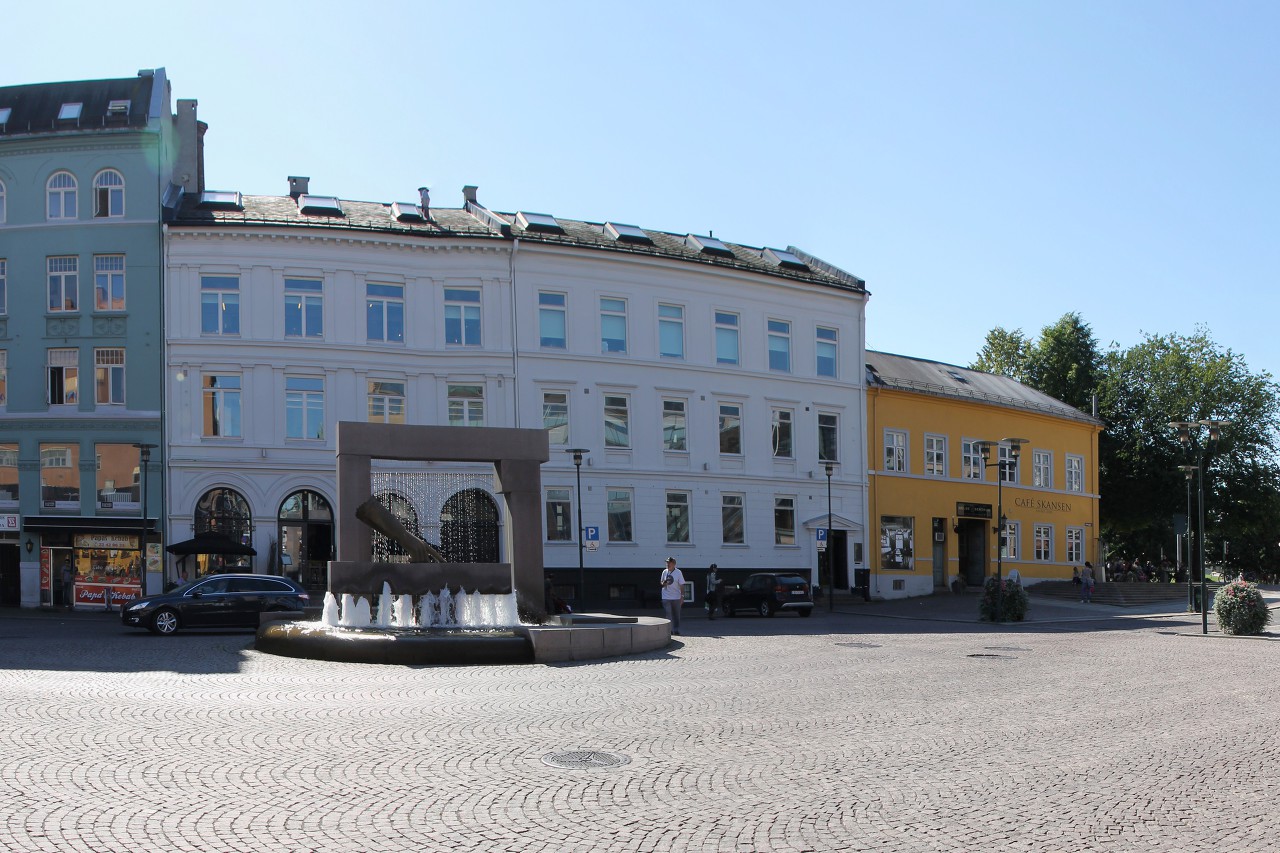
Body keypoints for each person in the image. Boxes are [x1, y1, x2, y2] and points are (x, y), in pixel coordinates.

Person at [660, 556, 685, 635]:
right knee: (668, 613)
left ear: (674, 564)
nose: (667, 564)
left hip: (676, 597)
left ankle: (676, 629)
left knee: (676, 614)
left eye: (669, 563)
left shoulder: (678, 572)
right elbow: (661, 582)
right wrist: (664, 583)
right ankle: (669, 630)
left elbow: (681, 585)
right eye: (667, 563)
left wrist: (682, 597)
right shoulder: (664, 571)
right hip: (666, 596)